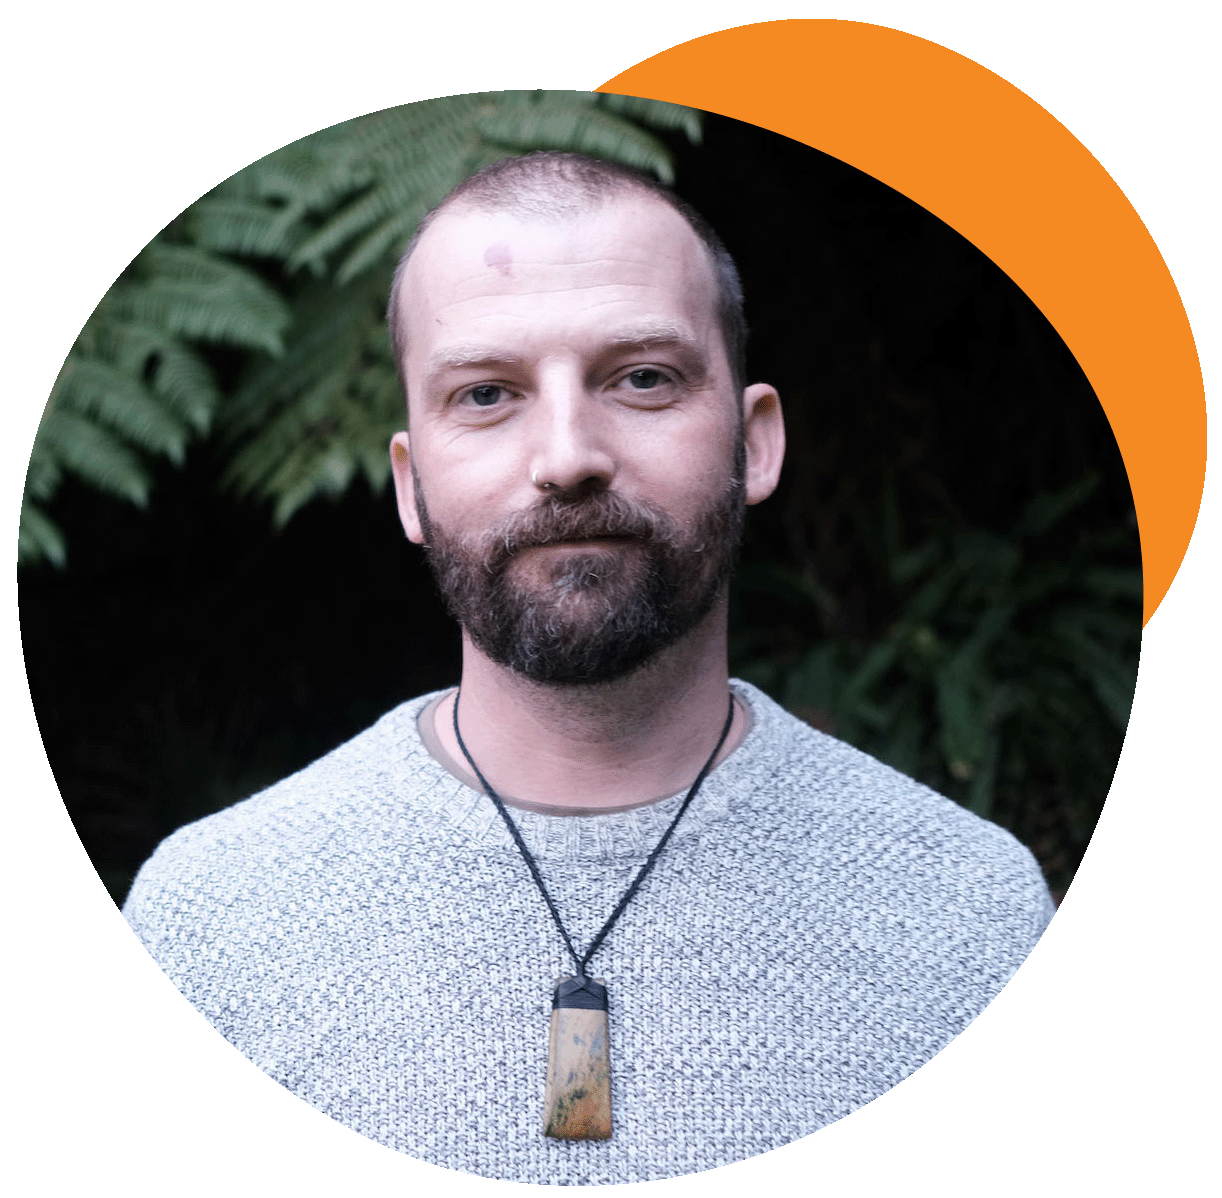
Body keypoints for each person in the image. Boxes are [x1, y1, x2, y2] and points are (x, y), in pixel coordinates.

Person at [123, 152, 1055, 1184]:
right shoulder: (205, 924)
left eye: (642, 378)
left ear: (754, 443)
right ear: (410, 484)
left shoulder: (972, 916)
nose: (567, 454)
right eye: (486, 393)